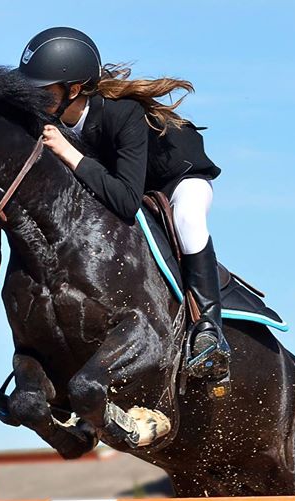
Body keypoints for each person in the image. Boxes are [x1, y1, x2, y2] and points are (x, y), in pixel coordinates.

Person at [17, 27, 230, 380]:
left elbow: (126, 202)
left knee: (188, 220)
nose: (36, 101)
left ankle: (209, 330)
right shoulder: (57, 120)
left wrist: (69, 153)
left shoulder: (122, 113)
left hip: (177, 178)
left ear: (74, 89)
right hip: (128, 180)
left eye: (43, 92)